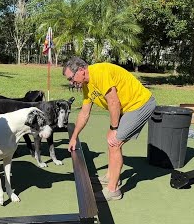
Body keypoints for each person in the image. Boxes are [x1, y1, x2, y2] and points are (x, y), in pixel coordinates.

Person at [63, 56, 156, 202]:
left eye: (71, 78)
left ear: (81, 70)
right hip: (126, 107)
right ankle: (110, 177)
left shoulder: (99, 72)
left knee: (115, 143)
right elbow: (84, 113)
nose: (71, 83)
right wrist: (74, 137)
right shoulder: (87, 85)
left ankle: (113, 190)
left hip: (140, 104)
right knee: (111, 141)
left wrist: (114, 128)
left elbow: (113, 102)